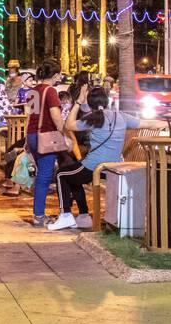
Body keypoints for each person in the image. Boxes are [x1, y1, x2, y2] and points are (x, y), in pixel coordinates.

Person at [49, 85, 161, 231]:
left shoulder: (92, 119)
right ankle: (83, 217)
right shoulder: (120, 116)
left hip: (94, 167)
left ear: (89, 104)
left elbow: (68, 125)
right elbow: (148, 124)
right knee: (73, 175)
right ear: (107, 101)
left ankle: (66, 215)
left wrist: (78, 102)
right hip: (114, 167)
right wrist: (169, 125)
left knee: (62, 175)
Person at [25, 59, 66, 228]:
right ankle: (39, 215)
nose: (60, 77)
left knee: (41, 174)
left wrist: (27, 139)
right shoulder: (50, 91)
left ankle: (39, 212)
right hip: (46, 136)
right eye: (59, 74)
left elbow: (29, 115)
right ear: (55, 75)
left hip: (32, 135)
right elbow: (56, 117)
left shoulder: (33, 91)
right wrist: (66, 133)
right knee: (45, 176)